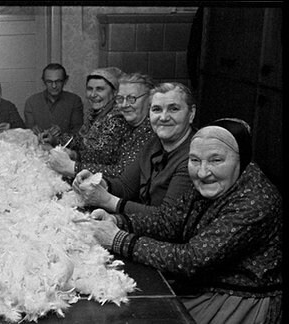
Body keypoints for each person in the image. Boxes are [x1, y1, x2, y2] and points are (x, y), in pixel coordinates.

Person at [83, 119, 282, 324]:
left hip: (236, 299)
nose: (203, 172)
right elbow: (170, 220)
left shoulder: (255, 201)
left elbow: (193, 259)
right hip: (204, 285)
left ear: (242, 160)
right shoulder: (214, 184)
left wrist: (118, 239)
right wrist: (118, 221)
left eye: (216, 160)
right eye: (195, 160)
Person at [73, 82, 197, 217]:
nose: (163, 117)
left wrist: (108, 200)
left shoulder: (196, 156)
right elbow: (126, 186)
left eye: (174, 109)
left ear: (191, 114)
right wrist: (99, 183)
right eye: (157, 109)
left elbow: (167, 220)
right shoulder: (153, 143)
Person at [49, 72, 156, 179]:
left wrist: (74, 165)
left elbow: (118, 169)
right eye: (120, 99)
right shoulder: (97, 114)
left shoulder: (148, 129)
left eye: (132, 98)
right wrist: (58, 141)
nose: (124, 105)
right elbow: (81, 140)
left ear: (151, 99)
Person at [24, 63, 84, 141]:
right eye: (49, 82)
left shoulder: (74, 101)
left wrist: (62, 133)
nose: (54, 86)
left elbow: (78, 133)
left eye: (58, 81)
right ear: (44, 82)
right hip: (38, 148)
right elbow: (27, 132)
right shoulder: (31, 102)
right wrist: (32, 130)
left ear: (65, 81)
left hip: (65, 149)